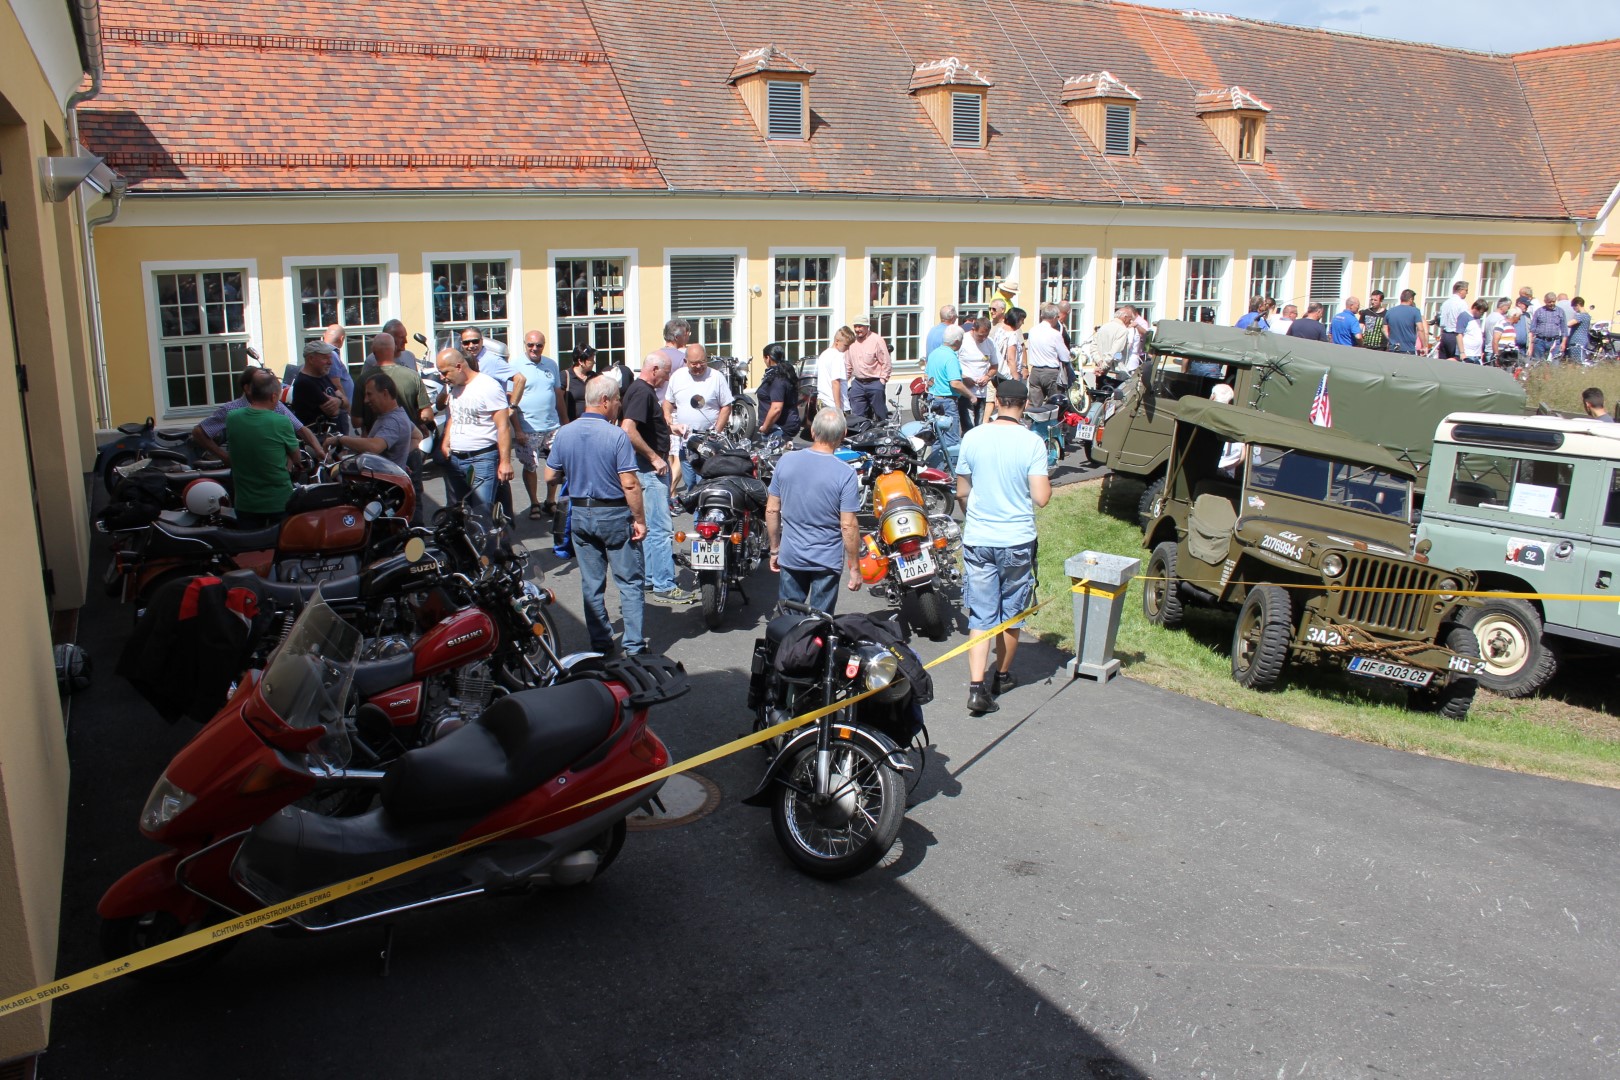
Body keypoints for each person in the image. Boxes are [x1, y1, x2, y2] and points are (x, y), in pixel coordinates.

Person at [954, 380, 1051, 716]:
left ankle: (976, 686)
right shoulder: (1032, 442)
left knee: (981, 613)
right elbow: (1041, 497)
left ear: (998, 401)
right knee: (1011, 613)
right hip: (1016, 539)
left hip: (979, 538)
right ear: (1023, 405)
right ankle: (1002, 675)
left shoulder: (973, 436)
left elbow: (962, 491)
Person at [546, 375, 648, 656]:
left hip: (580, 514)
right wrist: (640, 519)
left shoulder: (564, 433)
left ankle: (601, 645)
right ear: (605, 401)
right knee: (629, 582)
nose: (618, 406)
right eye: (617, 401)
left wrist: (575, 469)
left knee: (591, 584)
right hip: (614, 514)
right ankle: (634, 646)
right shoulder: (616, 435)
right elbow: (629, 483)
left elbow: (549, 475)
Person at [765, 407, 862, 613]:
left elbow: (772, 510)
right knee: (820, 626)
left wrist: (775, 549)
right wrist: (854, 568)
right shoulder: (845, 474)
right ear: (843, 436)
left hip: (791, 556)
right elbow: (848, 525)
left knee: (789, 622)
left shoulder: (786, 461)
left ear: (813, 432)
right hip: (826, 562)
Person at [621, 354, 694, 605]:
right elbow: (628, 429)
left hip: (648, 468)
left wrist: (669, 428)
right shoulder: (642, 392)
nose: (667, 379)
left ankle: (652, 578)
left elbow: (643, 425)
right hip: (649, 469)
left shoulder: (641, 390)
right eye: (665, 374)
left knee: (652, 527)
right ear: (654, 369)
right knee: (661, 529)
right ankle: (664, 583)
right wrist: (654, 457)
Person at [435, 347, 513, 514]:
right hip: (456, 459)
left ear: (459, 366)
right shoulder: (455, 387)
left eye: (445, 372)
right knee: (459, 512)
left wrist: (505, 462)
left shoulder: (488, 386)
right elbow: (454, 417)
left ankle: (492, 539)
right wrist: (446, 442)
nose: (442, 377)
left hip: (482, 459)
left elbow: (503, 426)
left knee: (481, 512)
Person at [192, 366, 322, 464]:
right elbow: (199, 432)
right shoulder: (231, 410)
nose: (268, 381)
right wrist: (224, 456)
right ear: (247, 388)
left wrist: (318, 449)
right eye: (262, 379)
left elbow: (301, 429)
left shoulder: (277, 406)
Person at [224, 369, 301, 529]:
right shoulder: (281, 422)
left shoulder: (232, 417)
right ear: (273, 396)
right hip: (278, 500)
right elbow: (297, 458)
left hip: (245, 503)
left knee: (249, 546)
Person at [512, 330, 566, 518]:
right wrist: (517, 429)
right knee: (530, 466)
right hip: (528, 428)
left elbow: (558, 395)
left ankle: (550, 500)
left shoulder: (551, 364)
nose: (535, 349)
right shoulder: (515, 366)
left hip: (552, 425)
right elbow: (510, 402)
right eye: (531, 345)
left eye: (539, 345)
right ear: (525, 344)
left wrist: (565, 422)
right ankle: (534, 502)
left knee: (556, 464)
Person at [327, 372, 415, 471]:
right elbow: (417, 436)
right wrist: (397, 465)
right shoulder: (399, 415)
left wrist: (340, 439)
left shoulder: (393, 421)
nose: (366, 400)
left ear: (385, 393)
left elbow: (374, 447)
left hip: (383, 484)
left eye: (369, 394)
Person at [925, 325, 971, 461]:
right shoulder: (950, 357)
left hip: (933, 399)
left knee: (937, 438)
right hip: (947, 402)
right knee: (951, 439)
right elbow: (955, 383)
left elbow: (928, 378)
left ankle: (936, 468)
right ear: (957, 341)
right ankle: (949, 472)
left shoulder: (935, 353)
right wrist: (971, 396)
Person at [289, 339, 350, 429]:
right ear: (311, 359)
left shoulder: (323, 376)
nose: (330, 362)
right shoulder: (305, 382)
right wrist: (341, 402)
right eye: (325, 358)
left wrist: (339, 402)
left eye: (330, 358)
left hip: (334, 437)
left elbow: (346, 402)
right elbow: (333, 411)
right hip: (318, 439)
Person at [845, 316, 892, 421]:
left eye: (860, 326)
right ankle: (860, 435)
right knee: (857, 416)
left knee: (881, 415)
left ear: (867, 327)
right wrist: (844, 382)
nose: (857, 329)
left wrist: (882, 381)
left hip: (875, 382)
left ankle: (884, 434)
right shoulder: (852, 342)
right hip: (857, 383)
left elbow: (886, 362)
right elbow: (848, 365)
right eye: (855, 326)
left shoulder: (877, 340)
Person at [956, 317, 997, 430]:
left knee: (979, 427)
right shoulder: (962, 341)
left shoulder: (990, 343)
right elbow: (953, 365)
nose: (983, 338)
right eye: (980, 335)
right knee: (968, 427)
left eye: (986, 335)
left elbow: (994, 366)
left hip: (982, 392)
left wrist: (987, 377)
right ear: (973, 329)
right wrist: (964, 378)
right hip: (965, 392)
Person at [755, 343, 801, 442]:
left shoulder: (777, 378)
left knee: (775, 457)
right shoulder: (784, 372)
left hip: (779, 427)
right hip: (783, 424)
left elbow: (776, 408)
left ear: (768, 358)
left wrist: (765, 427)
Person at [1026, 303, 1069, 405]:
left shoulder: (1032, 330)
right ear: (1055, 317)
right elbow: (1065, 357)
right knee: (1054, 405)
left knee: (1034, 406)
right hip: (1051, 372)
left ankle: (1033, 421)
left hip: (1035, 371)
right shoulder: (1055, 334)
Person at [321, 324, 354, 434]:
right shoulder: (332, 355)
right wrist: (347, 406)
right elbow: (336, 384)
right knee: (343, 443)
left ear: (324, 335)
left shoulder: (326, 353)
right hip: (341, 407)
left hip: (338, 406)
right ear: (342, 339)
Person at [815, 327, 853, 413]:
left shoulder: (824, 354)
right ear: (837, 341)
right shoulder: (837, 356)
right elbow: (835, 382)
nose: (848, 348)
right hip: (834, 404)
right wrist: (838, 409)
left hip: (822, 401)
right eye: (846, 345)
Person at [561, 344, 598, 423]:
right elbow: (559, 401)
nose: (594, 362)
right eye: (591, 360)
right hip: (571, 424)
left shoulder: (594, 376)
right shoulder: (565, 376)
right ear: (580, 361)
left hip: (592, 423)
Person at [1384, 290, 1427, 354]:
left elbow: (1384, 330)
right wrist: (1424, 346)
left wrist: (1391, 340)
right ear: (1410, 299)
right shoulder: (1415, 311)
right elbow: (1420, 329)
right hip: (1408, 348)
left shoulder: (1390, 311)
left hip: (1393, 348)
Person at [1528, 293, 1567, 361]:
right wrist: (1531, 345)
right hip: (1540, 342)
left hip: (1554, 342)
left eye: (1553, 301)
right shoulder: (1539, 311)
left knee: (1554, 364)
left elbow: (1564, 329)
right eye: (1549, 302)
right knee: (1538, 363)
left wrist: (1563, 343)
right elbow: (1532, 329)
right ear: (1545, 301)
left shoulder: (1560, 311)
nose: (1552, 303)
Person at [992, 307, 1027, 383]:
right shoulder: (1012, 335)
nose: (1022, 323)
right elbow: (1011, 358)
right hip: (1009, 375)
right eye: (1022, 320)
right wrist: (1015, 377)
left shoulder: (1000, 331)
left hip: (998, 372)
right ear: (1016, 320)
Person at [1437, 280, 1470, 360]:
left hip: (1444, 335)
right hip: (1455, 335)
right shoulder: (1462, 303)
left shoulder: (1446, 303)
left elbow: (1440, 320)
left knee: (1443, 361)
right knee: (1455, 361)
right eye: (1466, 290)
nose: (1467, 293)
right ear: (1461, 290)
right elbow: (1465, 322)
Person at [1564, 296, 1592, 365]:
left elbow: (1569, 324)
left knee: (1574, 362)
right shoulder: (1587, 315)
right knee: (1580, 360)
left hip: (1576, 341)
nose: (1574, 309)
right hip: (1584, 340)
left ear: (1578, 305)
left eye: (1574, 307)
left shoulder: (1580, 315)